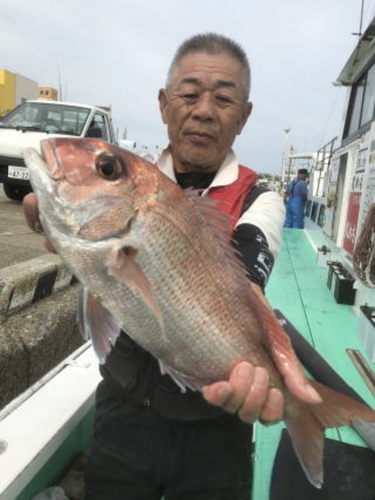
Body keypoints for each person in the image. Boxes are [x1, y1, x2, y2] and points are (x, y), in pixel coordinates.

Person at [23, 33, 321, 500]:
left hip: (215, 432)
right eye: (188, 93)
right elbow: (100, 275)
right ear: (164, 104)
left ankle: (310, 419)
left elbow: (248, 268)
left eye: (224, 99)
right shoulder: (140, 177)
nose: (203, 110)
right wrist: (71, 237)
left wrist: (269, 358)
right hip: (122, 415)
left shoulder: (261, 199)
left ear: (244, 117)